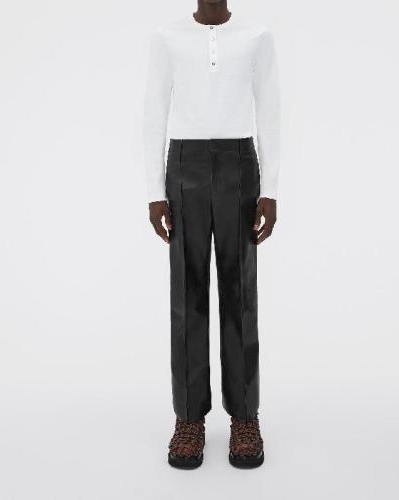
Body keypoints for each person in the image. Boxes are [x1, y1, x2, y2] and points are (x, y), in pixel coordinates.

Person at [143, 0, 280, 469]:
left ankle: (244, 416)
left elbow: (270, 110)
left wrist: (271, 188)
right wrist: (154, 191)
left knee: (240, 293)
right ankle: (188, 418)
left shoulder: (257, 36)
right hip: (185, 165)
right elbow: (154, 111)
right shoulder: (167, 37)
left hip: (240, 163)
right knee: (188, 294)